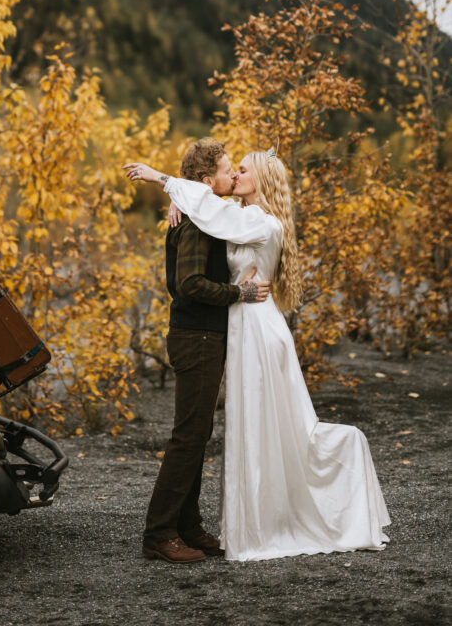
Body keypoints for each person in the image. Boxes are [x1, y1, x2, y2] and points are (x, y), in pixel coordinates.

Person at [124, 149, 390, 561]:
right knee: (222, 429)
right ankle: (181, 529)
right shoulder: (222, 214)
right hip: (234, 326)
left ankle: (260, 522)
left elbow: (214, 210)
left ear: (261, 181)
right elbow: (206, 219)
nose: (235, 175)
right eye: (231, 170)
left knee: (255, 426)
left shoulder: (260, 223)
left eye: (242, 170)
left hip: (258, 329)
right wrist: (181, 198)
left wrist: (166, 183)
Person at [141, 139, 270, 565]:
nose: (234, 175)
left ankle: (188, 525)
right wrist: (241, 292)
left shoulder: (206, 215)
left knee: (197, 435)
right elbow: (189, 284)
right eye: (228, 169)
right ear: (205, 181)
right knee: (189, 436)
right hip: (195, 335)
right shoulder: (197, 222)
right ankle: (159, 533)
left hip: (203, 335)